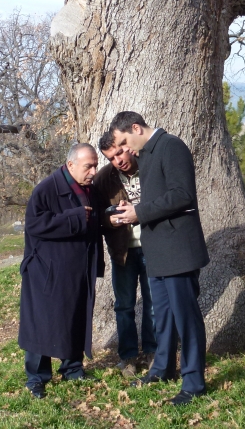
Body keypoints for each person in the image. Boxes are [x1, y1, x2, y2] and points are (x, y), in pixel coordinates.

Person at [109, 111, 210, 406]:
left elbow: (182, 195)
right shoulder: (148, 154)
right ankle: (163, 369)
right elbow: (158, 199)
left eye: (125, 142)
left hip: (178, 250)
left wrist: (139, 213)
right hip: (158, 251)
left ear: (137, 128)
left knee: (186, 319)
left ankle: (194, 383)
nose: (124, 150)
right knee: (163, 319)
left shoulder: (171, 146)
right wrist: (134, 207)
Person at [18, 143, 104, 399]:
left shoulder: (88, 190)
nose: (93, 171)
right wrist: (77, 217)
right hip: (46, 271)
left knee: (75, 317)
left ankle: (72, 368)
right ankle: (37, 378)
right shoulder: (46, 189)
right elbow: (35, 224)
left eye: (95, 166)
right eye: (88, 166)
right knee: (41, 324)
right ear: (70, 165)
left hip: (77, 269)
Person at [93, 131, 156, 377]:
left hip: (152, 246)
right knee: (124, 306)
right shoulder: (103, 180)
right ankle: (128, 357)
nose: (118, 160)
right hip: (122, 252)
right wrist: (111, 220)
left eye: (119, 152)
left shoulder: (149, 166)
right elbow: (98, 218)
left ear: (127, 146)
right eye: (111, 158)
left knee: (153, 304)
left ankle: (153, 352)